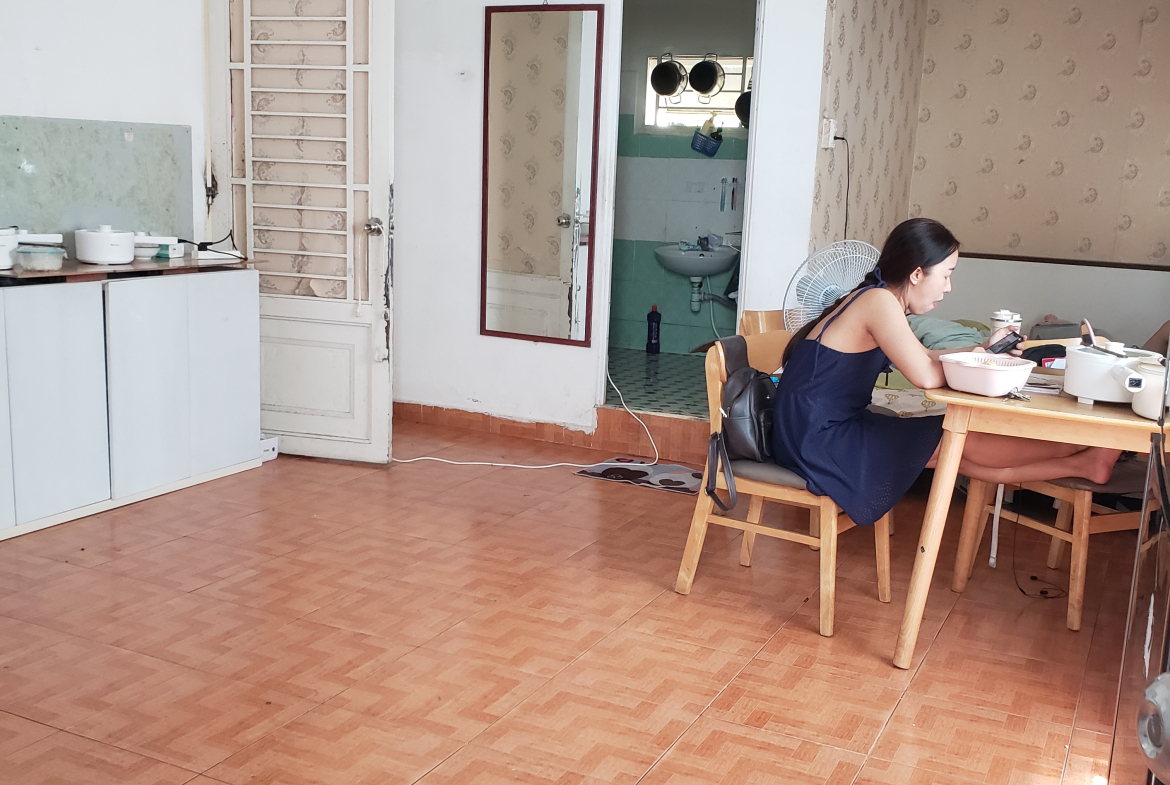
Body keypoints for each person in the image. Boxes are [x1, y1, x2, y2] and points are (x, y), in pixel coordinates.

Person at [772, 217, 1120, 527]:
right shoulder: (878, 302)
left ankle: (1086, 464)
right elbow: (925, 376)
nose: (948, 287)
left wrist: (982, 348)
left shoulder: (876, 298)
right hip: (818, 438)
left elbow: (923, 356)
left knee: (953, 454)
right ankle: (1078, 446)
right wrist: (975, 359)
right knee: (956, 438)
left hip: (808, 428)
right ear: (917, 274)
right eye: (947, 275)